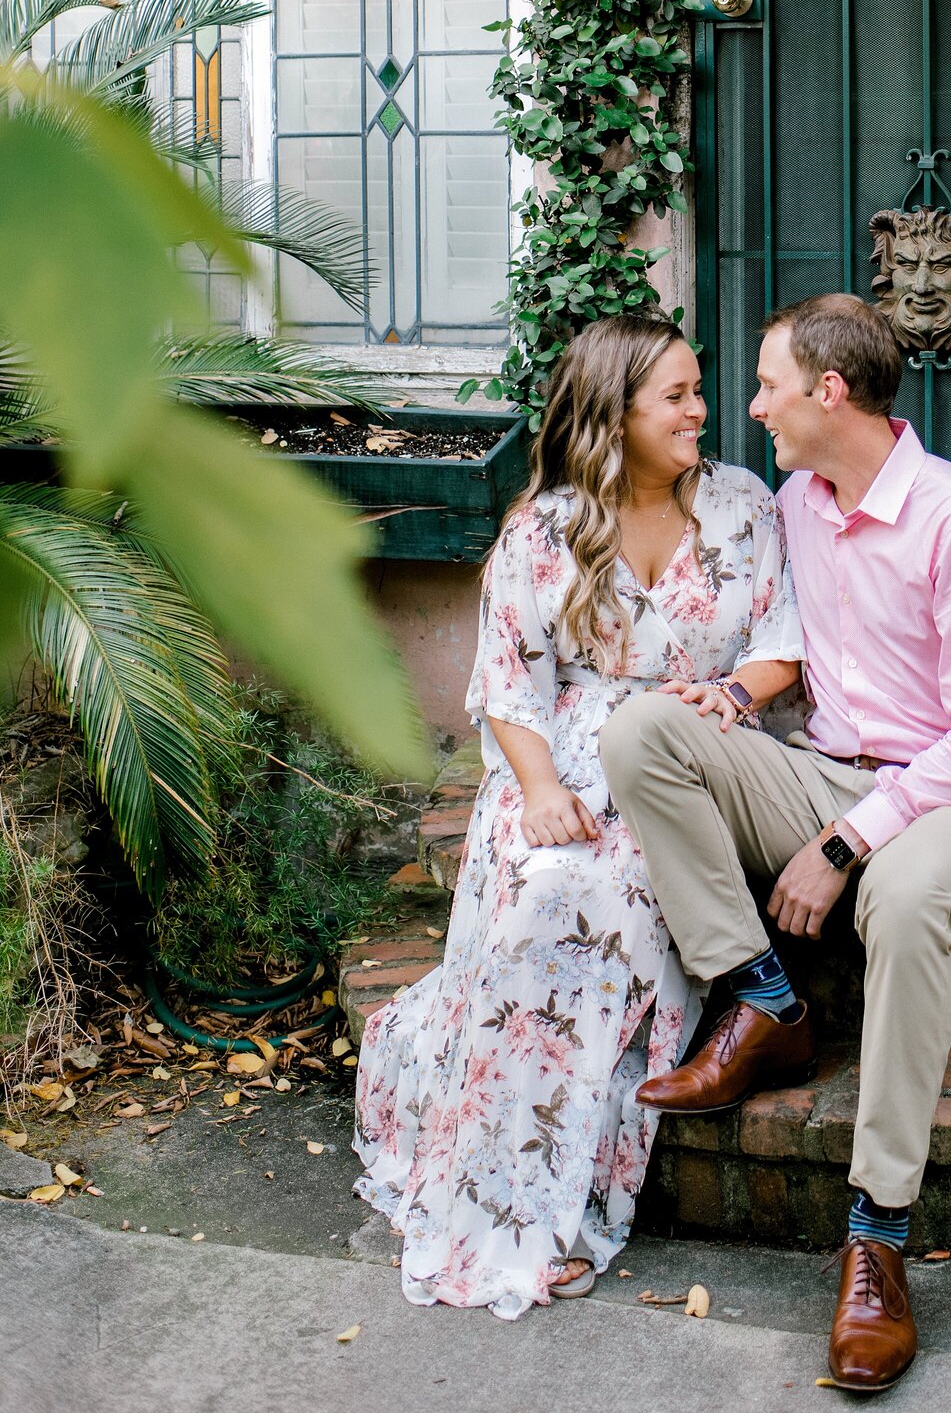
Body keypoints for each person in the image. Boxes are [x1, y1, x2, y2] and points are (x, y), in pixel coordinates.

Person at [600, 293, 951, 1391]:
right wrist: (734, 703)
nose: (750, 409)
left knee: (902, 901)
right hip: (824, 776)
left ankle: (877, 1238)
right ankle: (763, 1000)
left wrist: (846, 843)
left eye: (766, 386)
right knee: (647, 728)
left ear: (827, 394)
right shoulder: (795, 502)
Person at [351, 312, 803, 1319]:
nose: (701, 411)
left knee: (623, 904)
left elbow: (782, 642)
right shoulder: (544, 528)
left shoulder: (742, 505)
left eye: (698, 389)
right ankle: (503, 1198)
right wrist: (542, 792)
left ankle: (573, 1208)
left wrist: (733, 697)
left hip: (693, 758)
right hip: (559, 759)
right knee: (542, 895)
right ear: (616, 414)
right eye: (677, 397)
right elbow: (507, 682)